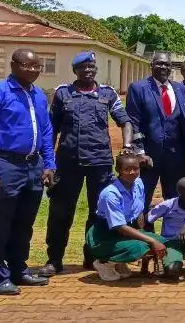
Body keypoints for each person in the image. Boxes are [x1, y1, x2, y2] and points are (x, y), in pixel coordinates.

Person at [41, 51, 134, 276]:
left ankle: (92, 256)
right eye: (83, 67)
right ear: (75, 70)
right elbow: (51, 130)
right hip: (68, 162)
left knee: (99, 212)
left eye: (91, 66)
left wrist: (127, 145)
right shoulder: (63, 94)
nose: (88, 70)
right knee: (61, 212)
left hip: (99, 162)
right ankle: (54, 260)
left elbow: (125, 122)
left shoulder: (107, 94)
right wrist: (48, 163)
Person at [0, 48, 56, 294]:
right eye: (26, 65)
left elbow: (46, 131)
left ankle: (18, 269)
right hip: (5, 165)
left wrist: (49, 164)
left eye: (36, 66)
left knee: (24, 223)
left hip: (33, 166)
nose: (32, 70)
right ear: (13, 65)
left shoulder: (38, 95)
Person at [86, 153, 183, 282]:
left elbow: (139, 212)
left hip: (125, 233)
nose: (132, 172)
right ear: (118, 170)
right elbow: (120, 228)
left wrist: (144, 233)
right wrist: (151, 241)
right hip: (104, 237)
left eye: (135, 168)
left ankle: (119, 262)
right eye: (127, 169)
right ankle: (104, 262)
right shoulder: (110, 194)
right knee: (142, 247)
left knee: (163, 241)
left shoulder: (138, 183)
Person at [126, 53, 185, 212]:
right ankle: (143, 227)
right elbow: (133, 121)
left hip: (176, 156)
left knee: (174, 199)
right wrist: (139, 151)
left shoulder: (181, 89)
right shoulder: (138, 88)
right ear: (152, 65)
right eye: (159, 63)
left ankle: (171, 228)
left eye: (167, 64)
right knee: (142, 199)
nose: (163, 67)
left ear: (171, 68)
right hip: (148, 156)